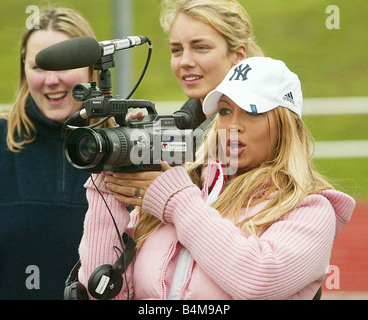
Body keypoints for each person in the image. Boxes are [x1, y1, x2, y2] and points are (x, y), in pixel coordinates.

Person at [74, 57, 355, 300]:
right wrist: (109, 176)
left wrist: (179, 203)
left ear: (286, 124)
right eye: (225, 111)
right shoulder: (184, 190)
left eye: (252, 111)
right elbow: (102, 292)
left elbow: (257, 279)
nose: (233, 125)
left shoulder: (311, 210)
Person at [0, 7, 113, 299]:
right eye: (39, 66)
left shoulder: (121, 148)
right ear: (24, 70)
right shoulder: (3, 140)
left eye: (63, 64)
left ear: (92, 69)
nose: (51, 80)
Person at [131, 0, 263, 130]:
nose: (185, 62)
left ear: (238, 55)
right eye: (177, 50)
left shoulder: (263, 130)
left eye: (201, 47)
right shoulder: (187, 124)